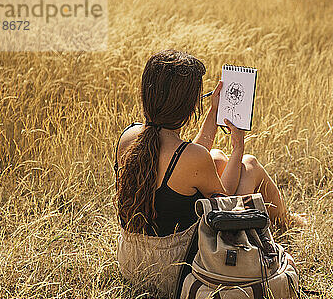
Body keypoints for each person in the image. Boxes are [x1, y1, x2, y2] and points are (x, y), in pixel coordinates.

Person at [114, 49, 305, 240]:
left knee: (216, 158)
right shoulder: (192, 158)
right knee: (249, 164)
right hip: (171, 263)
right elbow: (225, 200)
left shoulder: (130, 136)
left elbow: (184, 161)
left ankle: (286, 219)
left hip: (132, 255)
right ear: (189, 107)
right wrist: (238, 148)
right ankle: (285, 221)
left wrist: (214, 111)